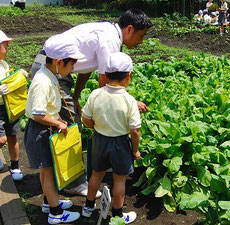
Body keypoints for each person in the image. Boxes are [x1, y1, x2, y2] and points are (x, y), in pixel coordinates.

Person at [30, 9, 153, 197]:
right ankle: (73, 182)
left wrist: (77, 96)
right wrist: (128, 102)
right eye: (141, 35)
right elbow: (106, 84)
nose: (141, 41)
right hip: (53, 66)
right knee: (71, 125)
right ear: (129, 29)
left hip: (57, 65)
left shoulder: (107, 32)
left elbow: (85, 67)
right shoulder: (111, 40)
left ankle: (57, 172)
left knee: (67, 120)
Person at [24, 35, 83, 224]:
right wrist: (58, 123)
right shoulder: (43, 81)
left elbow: (47, 107)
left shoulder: (48, 74)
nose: (72, 69)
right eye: (71, 65)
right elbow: (39, 114)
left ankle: (49, 203)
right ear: (59, 62)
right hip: (41, 131)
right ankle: (56, 214)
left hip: (42, 129)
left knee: (45, 172)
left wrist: (57, 117)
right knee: (48, 173)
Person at [81, 52, 141, 224]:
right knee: (119, 180)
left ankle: (88, 207)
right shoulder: (129, 101)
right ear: (128, 76)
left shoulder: (96, 94)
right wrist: (135, 150)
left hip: (99, 139)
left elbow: (85, 118)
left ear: (106, 76)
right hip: (121, 143)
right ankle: (117, 215)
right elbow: (135, 131)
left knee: (95, 175)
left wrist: (97, 128)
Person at [0, 30, 27, 181]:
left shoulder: (3, 64)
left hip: (10, 107)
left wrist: (18, 74)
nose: (8, 47)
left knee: (12, 135)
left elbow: (9, 79)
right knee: (1, 139)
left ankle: (15, 165)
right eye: (5, 45)